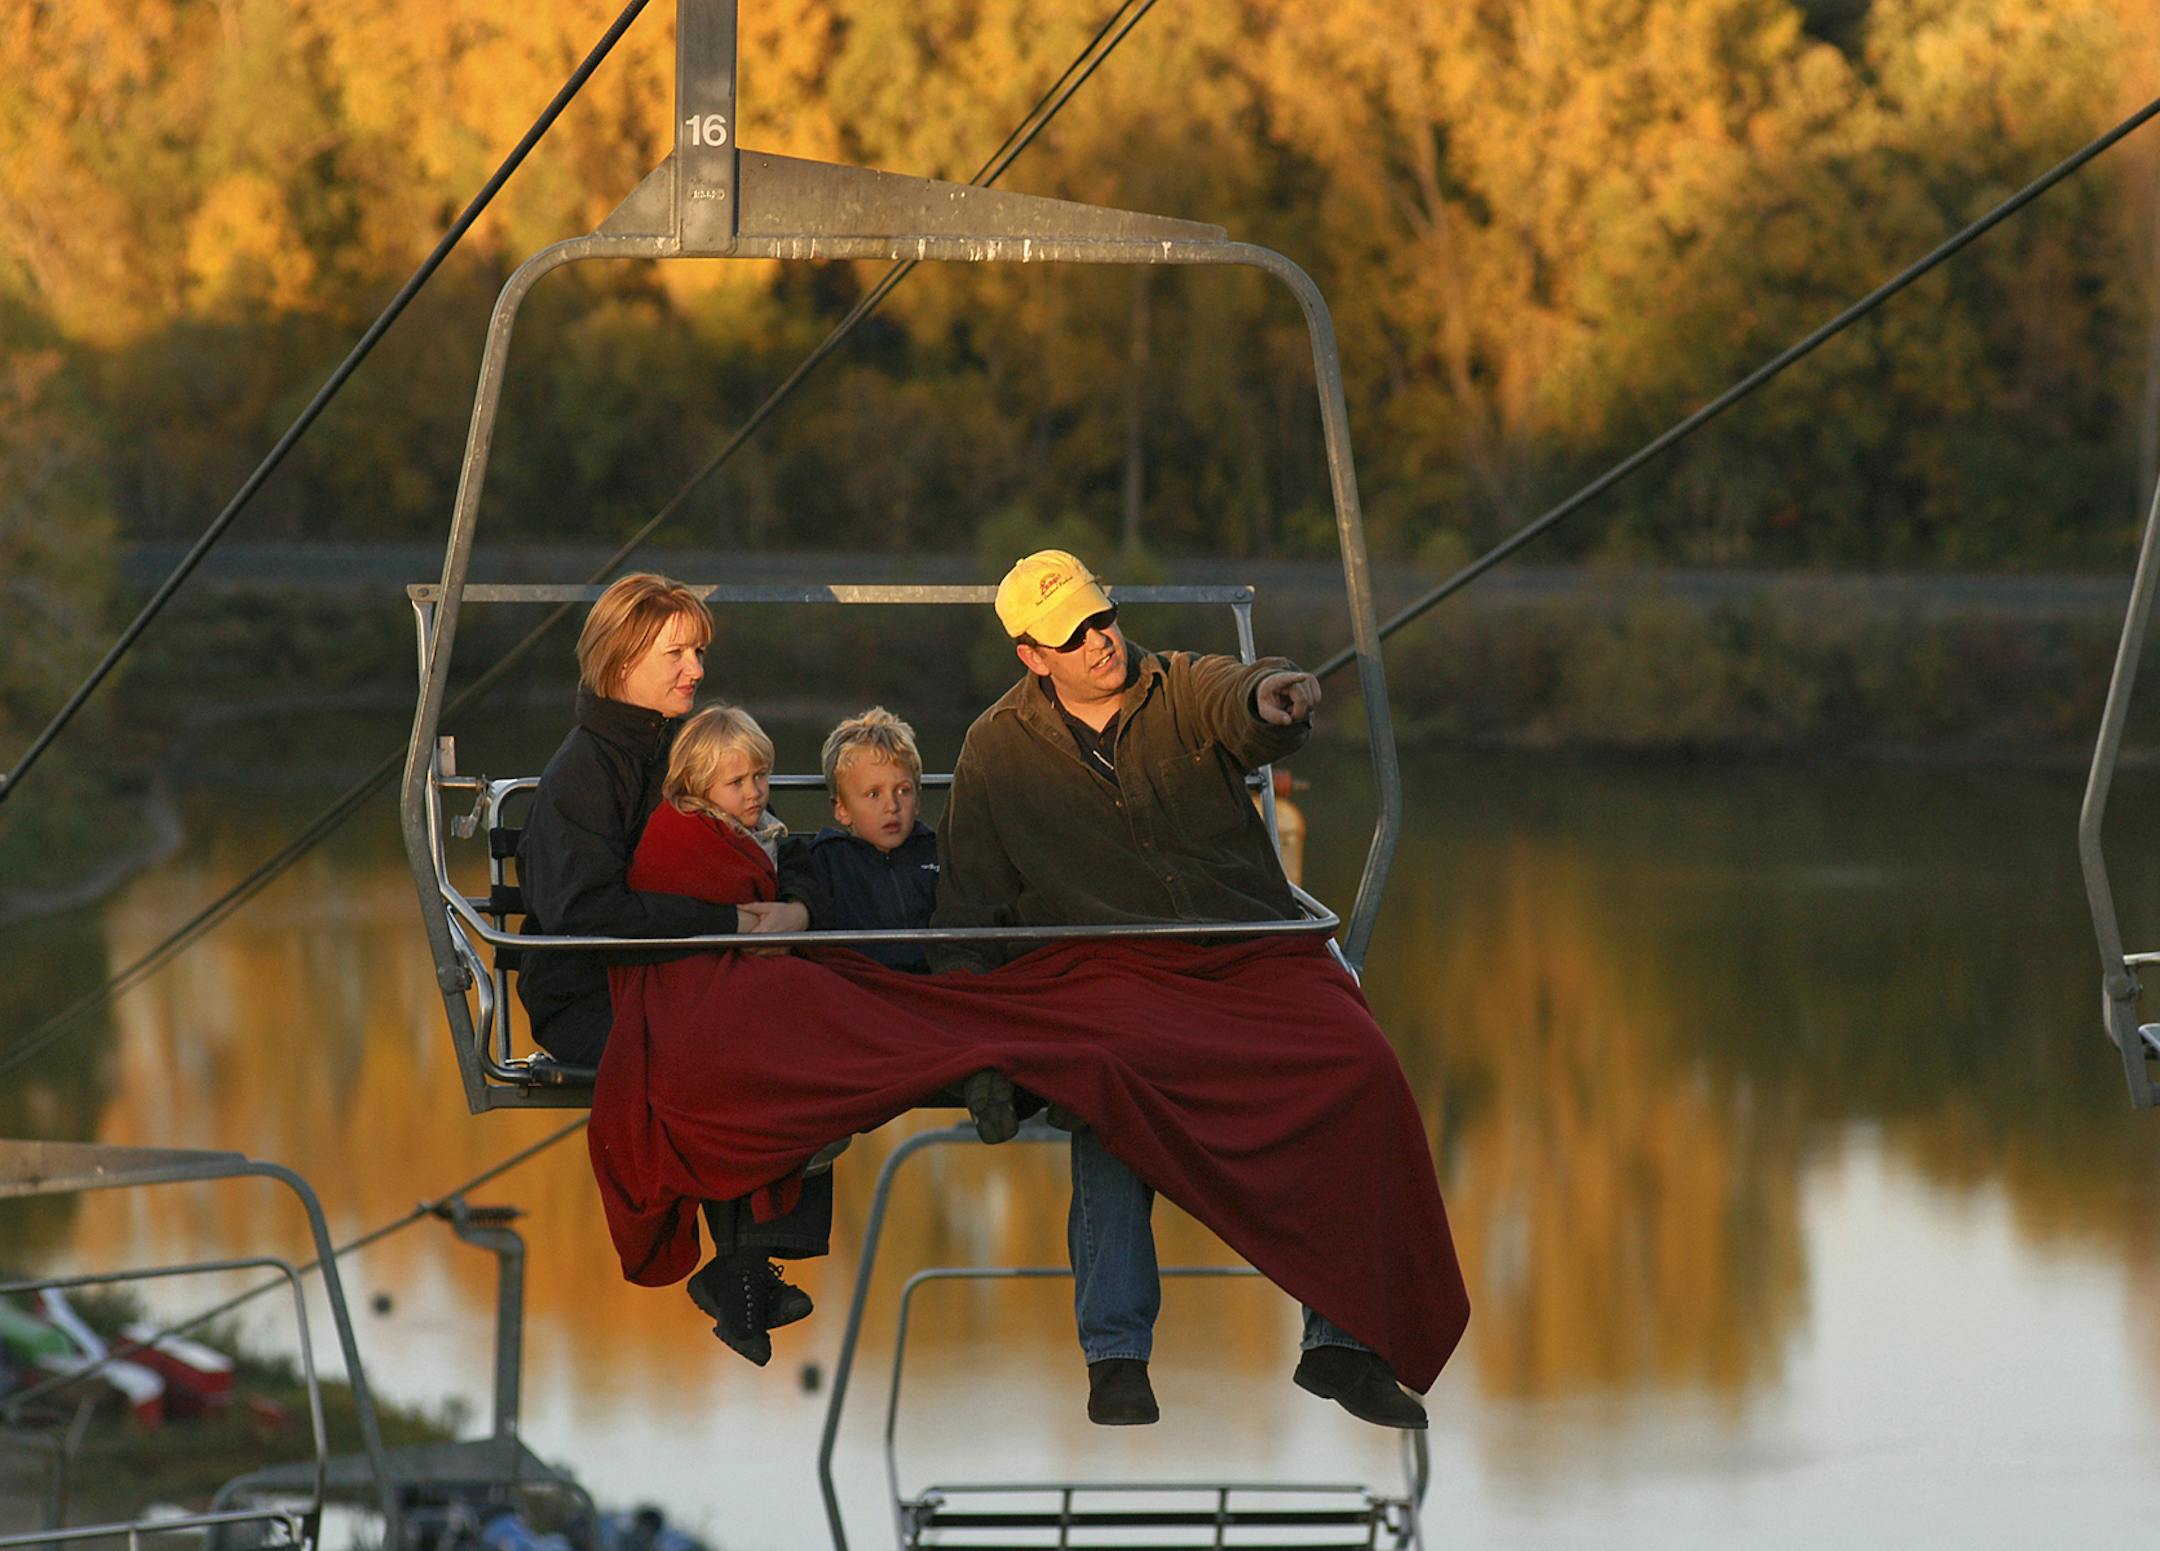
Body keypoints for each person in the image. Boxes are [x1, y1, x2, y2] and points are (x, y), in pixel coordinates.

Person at [929, 548, 1433, 1430]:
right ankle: (1115, 1353)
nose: (1099, 641)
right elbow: (967, 914)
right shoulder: (993, 752)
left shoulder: (1177, 686)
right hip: (1108, 967)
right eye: (1070, 634)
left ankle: (1344, 1343)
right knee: (1109, 1078)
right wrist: (983, 1055)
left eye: (1101, 617)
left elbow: (1240, 696)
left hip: (1248, 948)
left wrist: (1273, 697)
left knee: (1362, 1066)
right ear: (1031, 656)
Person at [514, 573, 830, 1365]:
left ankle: (749, 1262)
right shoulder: (584, 774)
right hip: (593, 992)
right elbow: (587, 916)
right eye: (677, 652)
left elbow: (764, 839)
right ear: (623, 658)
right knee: (740, 1045)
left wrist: (794, 904)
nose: (695, 668)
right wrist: (725, 925)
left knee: (810, 1028)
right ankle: (747, 1263)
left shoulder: (682, 750)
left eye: (698, 651)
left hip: (685, 978)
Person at [805, 708, 941, 973]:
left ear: (918, 799)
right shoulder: (826, 862)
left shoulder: (937, 853)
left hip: (929, 979)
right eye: (873, 794)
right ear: (842, 809)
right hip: (859, 984)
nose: (892, 806)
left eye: (903, 791)